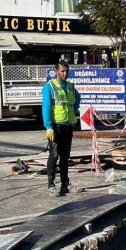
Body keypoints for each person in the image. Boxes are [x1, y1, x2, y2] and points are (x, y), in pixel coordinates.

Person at [43, 61, 82, 197]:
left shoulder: (70, 86)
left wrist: (74, 109)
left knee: (65, 156)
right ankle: (51, 185)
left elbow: (77, 98)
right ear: (56, 71)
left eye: (66, 71)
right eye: (62, 71)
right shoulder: (50, 86)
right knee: (54, 155)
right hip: (55, 125)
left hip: (67, 125)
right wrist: (48, 126)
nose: (65, 74)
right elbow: (46, 107)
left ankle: (65, 183)